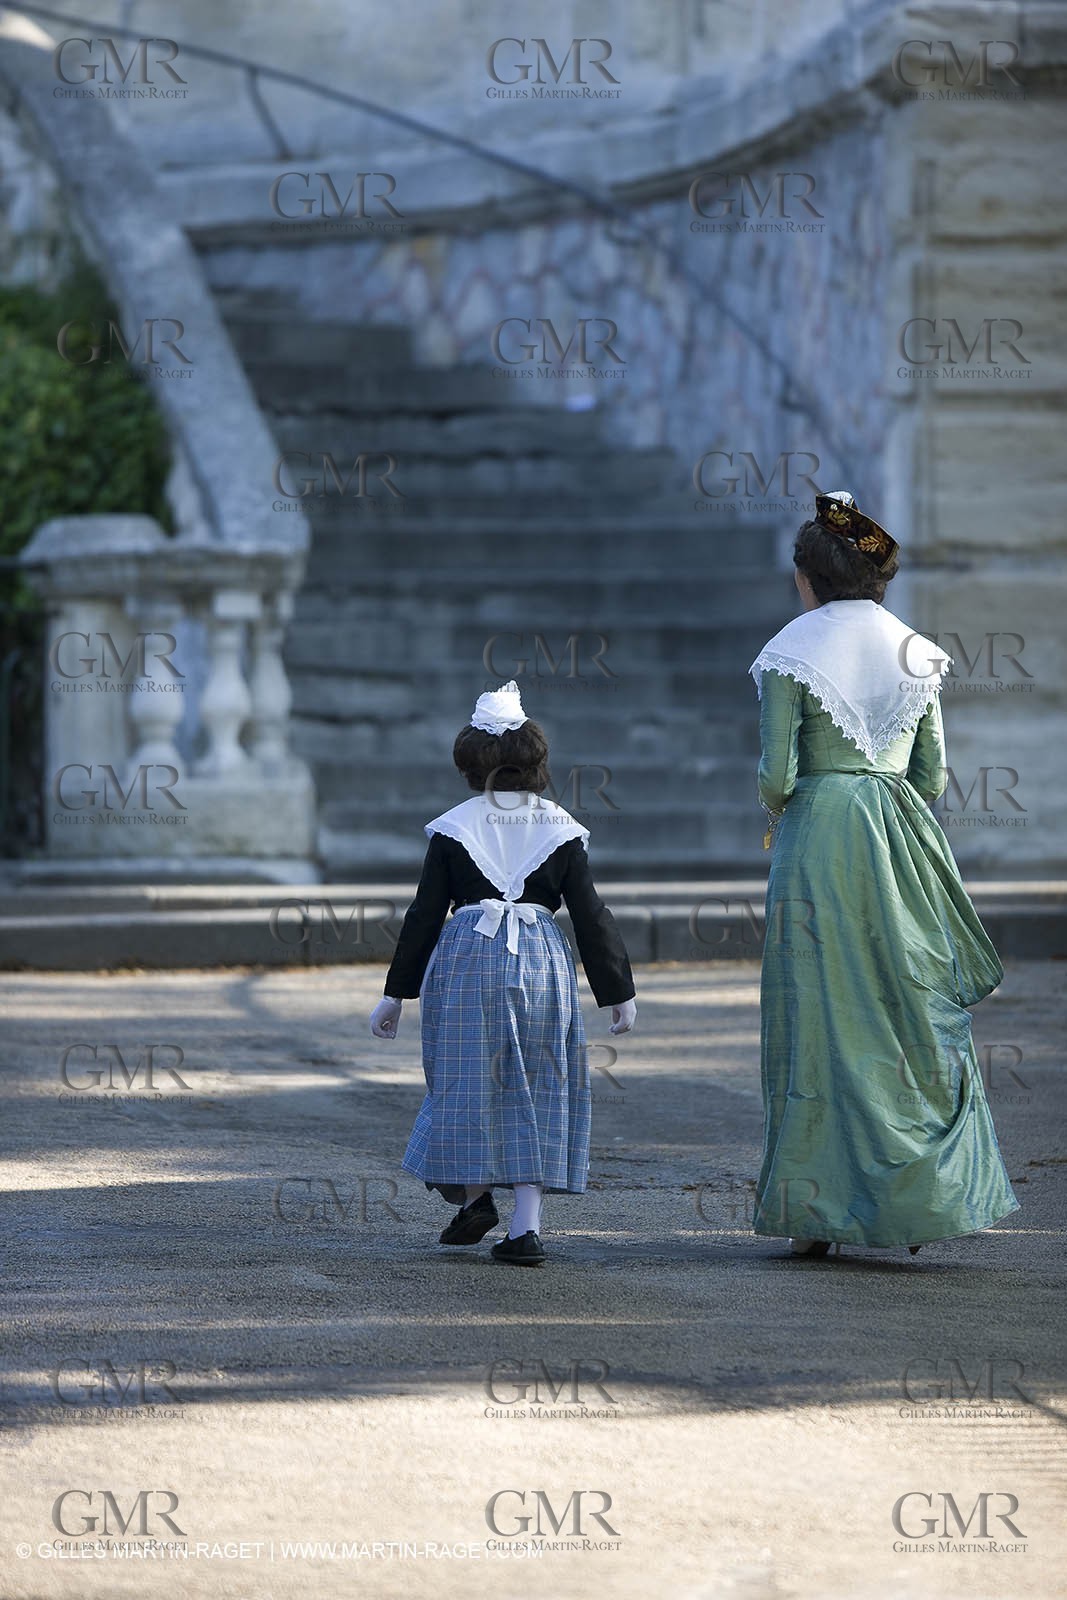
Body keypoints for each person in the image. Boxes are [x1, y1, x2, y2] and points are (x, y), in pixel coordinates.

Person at [749, 491, 1018, 1258]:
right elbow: (932, 778)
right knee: (904, 1006)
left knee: (817, 1014)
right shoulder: (918, 651)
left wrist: (800, 794)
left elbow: (776, 776)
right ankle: (915, 1197)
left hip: (817, 839)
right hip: (901, 838)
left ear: (809, 577)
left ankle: (815, 1212)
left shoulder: (789, 650)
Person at [369, 681, 637, 1267]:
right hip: (540, 958)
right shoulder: (559, 827)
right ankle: (526, 1227)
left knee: (464, 1078)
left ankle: (475, 1195)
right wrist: (617, 990)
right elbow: (591, 913)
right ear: (536, 760)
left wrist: (394, 995)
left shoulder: (454, 829)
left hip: (468, 956)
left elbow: (422, 916)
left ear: (470, 763)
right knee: (538, 1082)